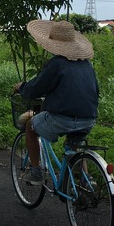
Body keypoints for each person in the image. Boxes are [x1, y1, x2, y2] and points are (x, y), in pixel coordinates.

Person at [13, 19, 99, 185]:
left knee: (30, 127)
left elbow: (36, 88)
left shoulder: (56, 64)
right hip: (88, 118)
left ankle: (36, 173)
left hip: (62, 118)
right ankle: (86, 181)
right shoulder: (86, 65)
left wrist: (22, 87)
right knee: (75, 145)